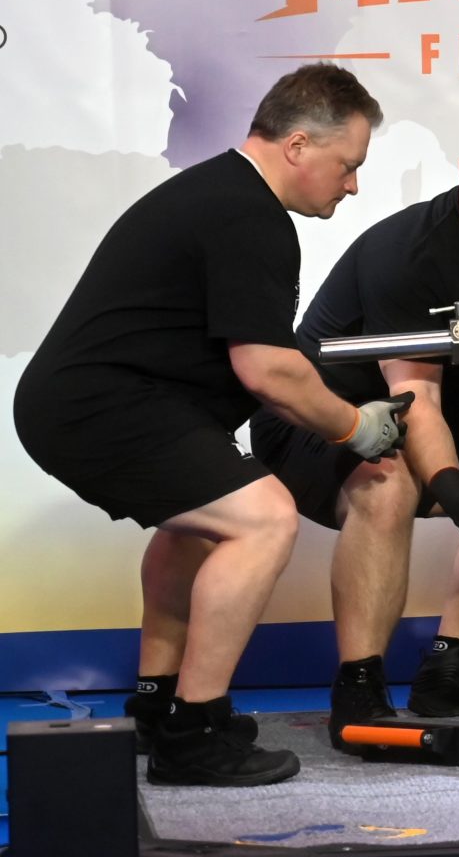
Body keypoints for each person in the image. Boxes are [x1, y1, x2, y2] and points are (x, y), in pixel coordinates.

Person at [13, 64, 408, 787]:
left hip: (98, 402)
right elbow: (269, 371)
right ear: (297, 145)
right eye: (348, 166)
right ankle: (192, 734)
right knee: (264, 519)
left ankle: (159, 702)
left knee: (200, 524)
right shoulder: (248, 216)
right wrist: (356, 426)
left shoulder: (221, 195)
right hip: (99, 408)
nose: (352, 185)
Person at [248, 110, 459, 749]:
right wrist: (451, 487)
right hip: (315, 421)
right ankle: (359, 689)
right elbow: (417, 400)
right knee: (389, 484)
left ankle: (453, 670)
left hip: (428, 419)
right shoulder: (408, 254)